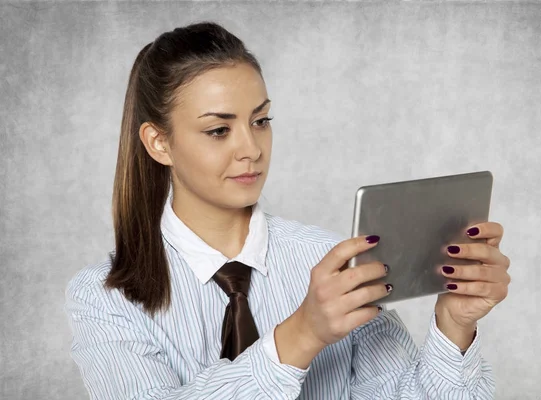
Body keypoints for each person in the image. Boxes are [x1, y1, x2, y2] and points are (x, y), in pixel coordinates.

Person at [64, 21, 511, 399]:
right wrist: (301, 334)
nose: (251, 149)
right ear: (159, 142)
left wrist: (453, 324)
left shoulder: (335, 266)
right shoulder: (103, 298)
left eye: (260, 121)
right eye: (219, 130)